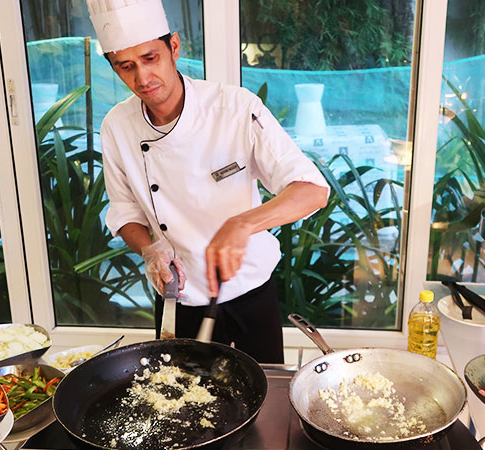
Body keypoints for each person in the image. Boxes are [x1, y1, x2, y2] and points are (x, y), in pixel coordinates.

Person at [87, 0, 329, 363]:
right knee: (180, 394)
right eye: (126, 66)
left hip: (251, 292)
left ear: (174, 46)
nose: (143, 78)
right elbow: (125, 213)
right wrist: (150, 251)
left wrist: (242, 224)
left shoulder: (235, 108)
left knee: (265, 390)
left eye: (150, 58)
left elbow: (312, 190)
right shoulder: (117, 127)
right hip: (177, 296)